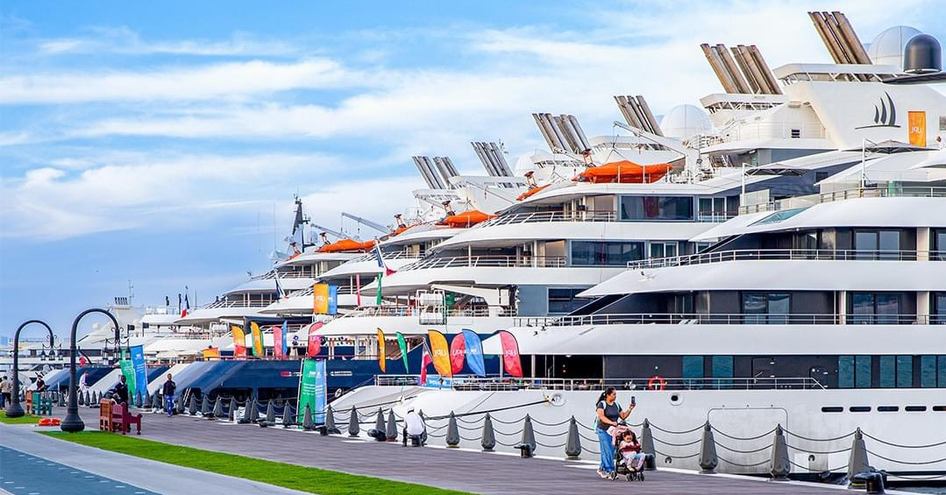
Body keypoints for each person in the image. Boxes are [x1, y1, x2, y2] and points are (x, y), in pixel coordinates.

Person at [595, 387, 634, 478]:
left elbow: (623, 416)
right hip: (603, 430)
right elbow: (601, 417)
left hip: (613, 431)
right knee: (608, 450)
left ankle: (602, 468)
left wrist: (630, 409)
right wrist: (612, 422)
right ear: (608, 395)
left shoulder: (616, 404)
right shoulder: (602, 404)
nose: (615, 396)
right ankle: (610, 470)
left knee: (612, 450)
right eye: (614, 394)